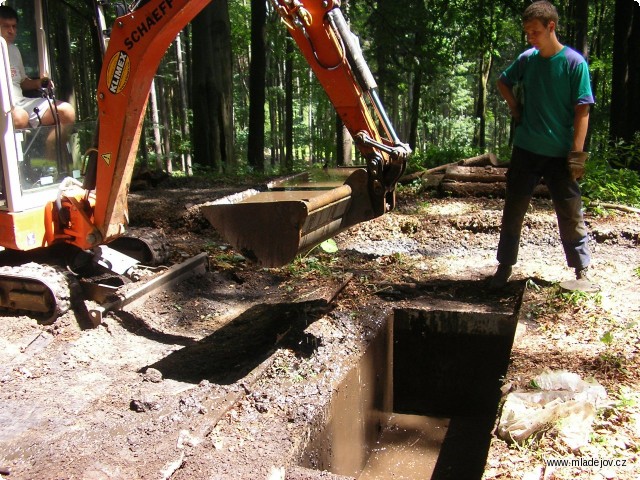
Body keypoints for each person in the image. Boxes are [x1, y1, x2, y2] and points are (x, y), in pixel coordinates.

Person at [491, 0, 596, 290]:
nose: (530, 38)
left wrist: (577, 154)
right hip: (526, 148)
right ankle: (504, 267)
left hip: (559, 154)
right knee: (514, 208)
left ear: (551, 27)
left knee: (570, 209)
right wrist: (515, 107)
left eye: (535, 32)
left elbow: (583, 109)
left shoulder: (574, 63)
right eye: (527, 32)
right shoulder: (527, 59)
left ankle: (580, 270)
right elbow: (503, 81)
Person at [0, 5, 75, 131]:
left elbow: (22, 82)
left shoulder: (14, 50)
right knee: (20, 117)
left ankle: (50, 150)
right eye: (6, 26)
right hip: (5, 107)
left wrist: (40, 82)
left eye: (14, 26)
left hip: (20, 103)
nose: (11, 31)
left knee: (66, 111)